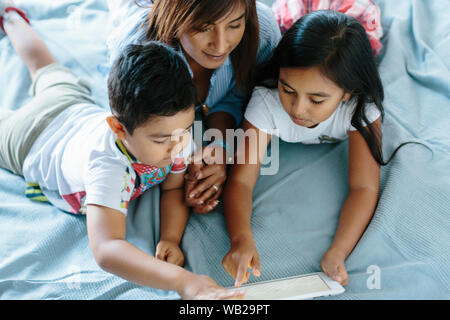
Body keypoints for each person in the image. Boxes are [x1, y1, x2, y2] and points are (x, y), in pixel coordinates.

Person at [0, 1, 245, 300]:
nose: (177, 147)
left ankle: (11, 17)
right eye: (160, 140)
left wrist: (170, 237)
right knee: (41, 75)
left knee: (46, 68)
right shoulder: (108, 166)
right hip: (32, 138)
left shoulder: (176, 134)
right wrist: (183, 281)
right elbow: (107, 248)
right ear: (118, 129)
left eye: (183, 133)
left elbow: (172, 188)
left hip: (73, 108)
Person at [221, 10, 409, 287]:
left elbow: (364, 187)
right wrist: (240, 238)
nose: (298, 110)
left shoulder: (361, 105)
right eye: (288, 90)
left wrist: (338, 251)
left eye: (317, 100)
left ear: (347, 93)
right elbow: (241, 180)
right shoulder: (266, 100)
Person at [106, 0, 282, 214]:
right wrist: (182, 174)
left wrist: (221, 146)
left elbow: (239, 96)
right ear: (175, 15)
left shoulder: (262, 33)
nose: (220, 45)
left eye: (234, 25)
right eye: (203, 28)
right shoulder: (136, 49)